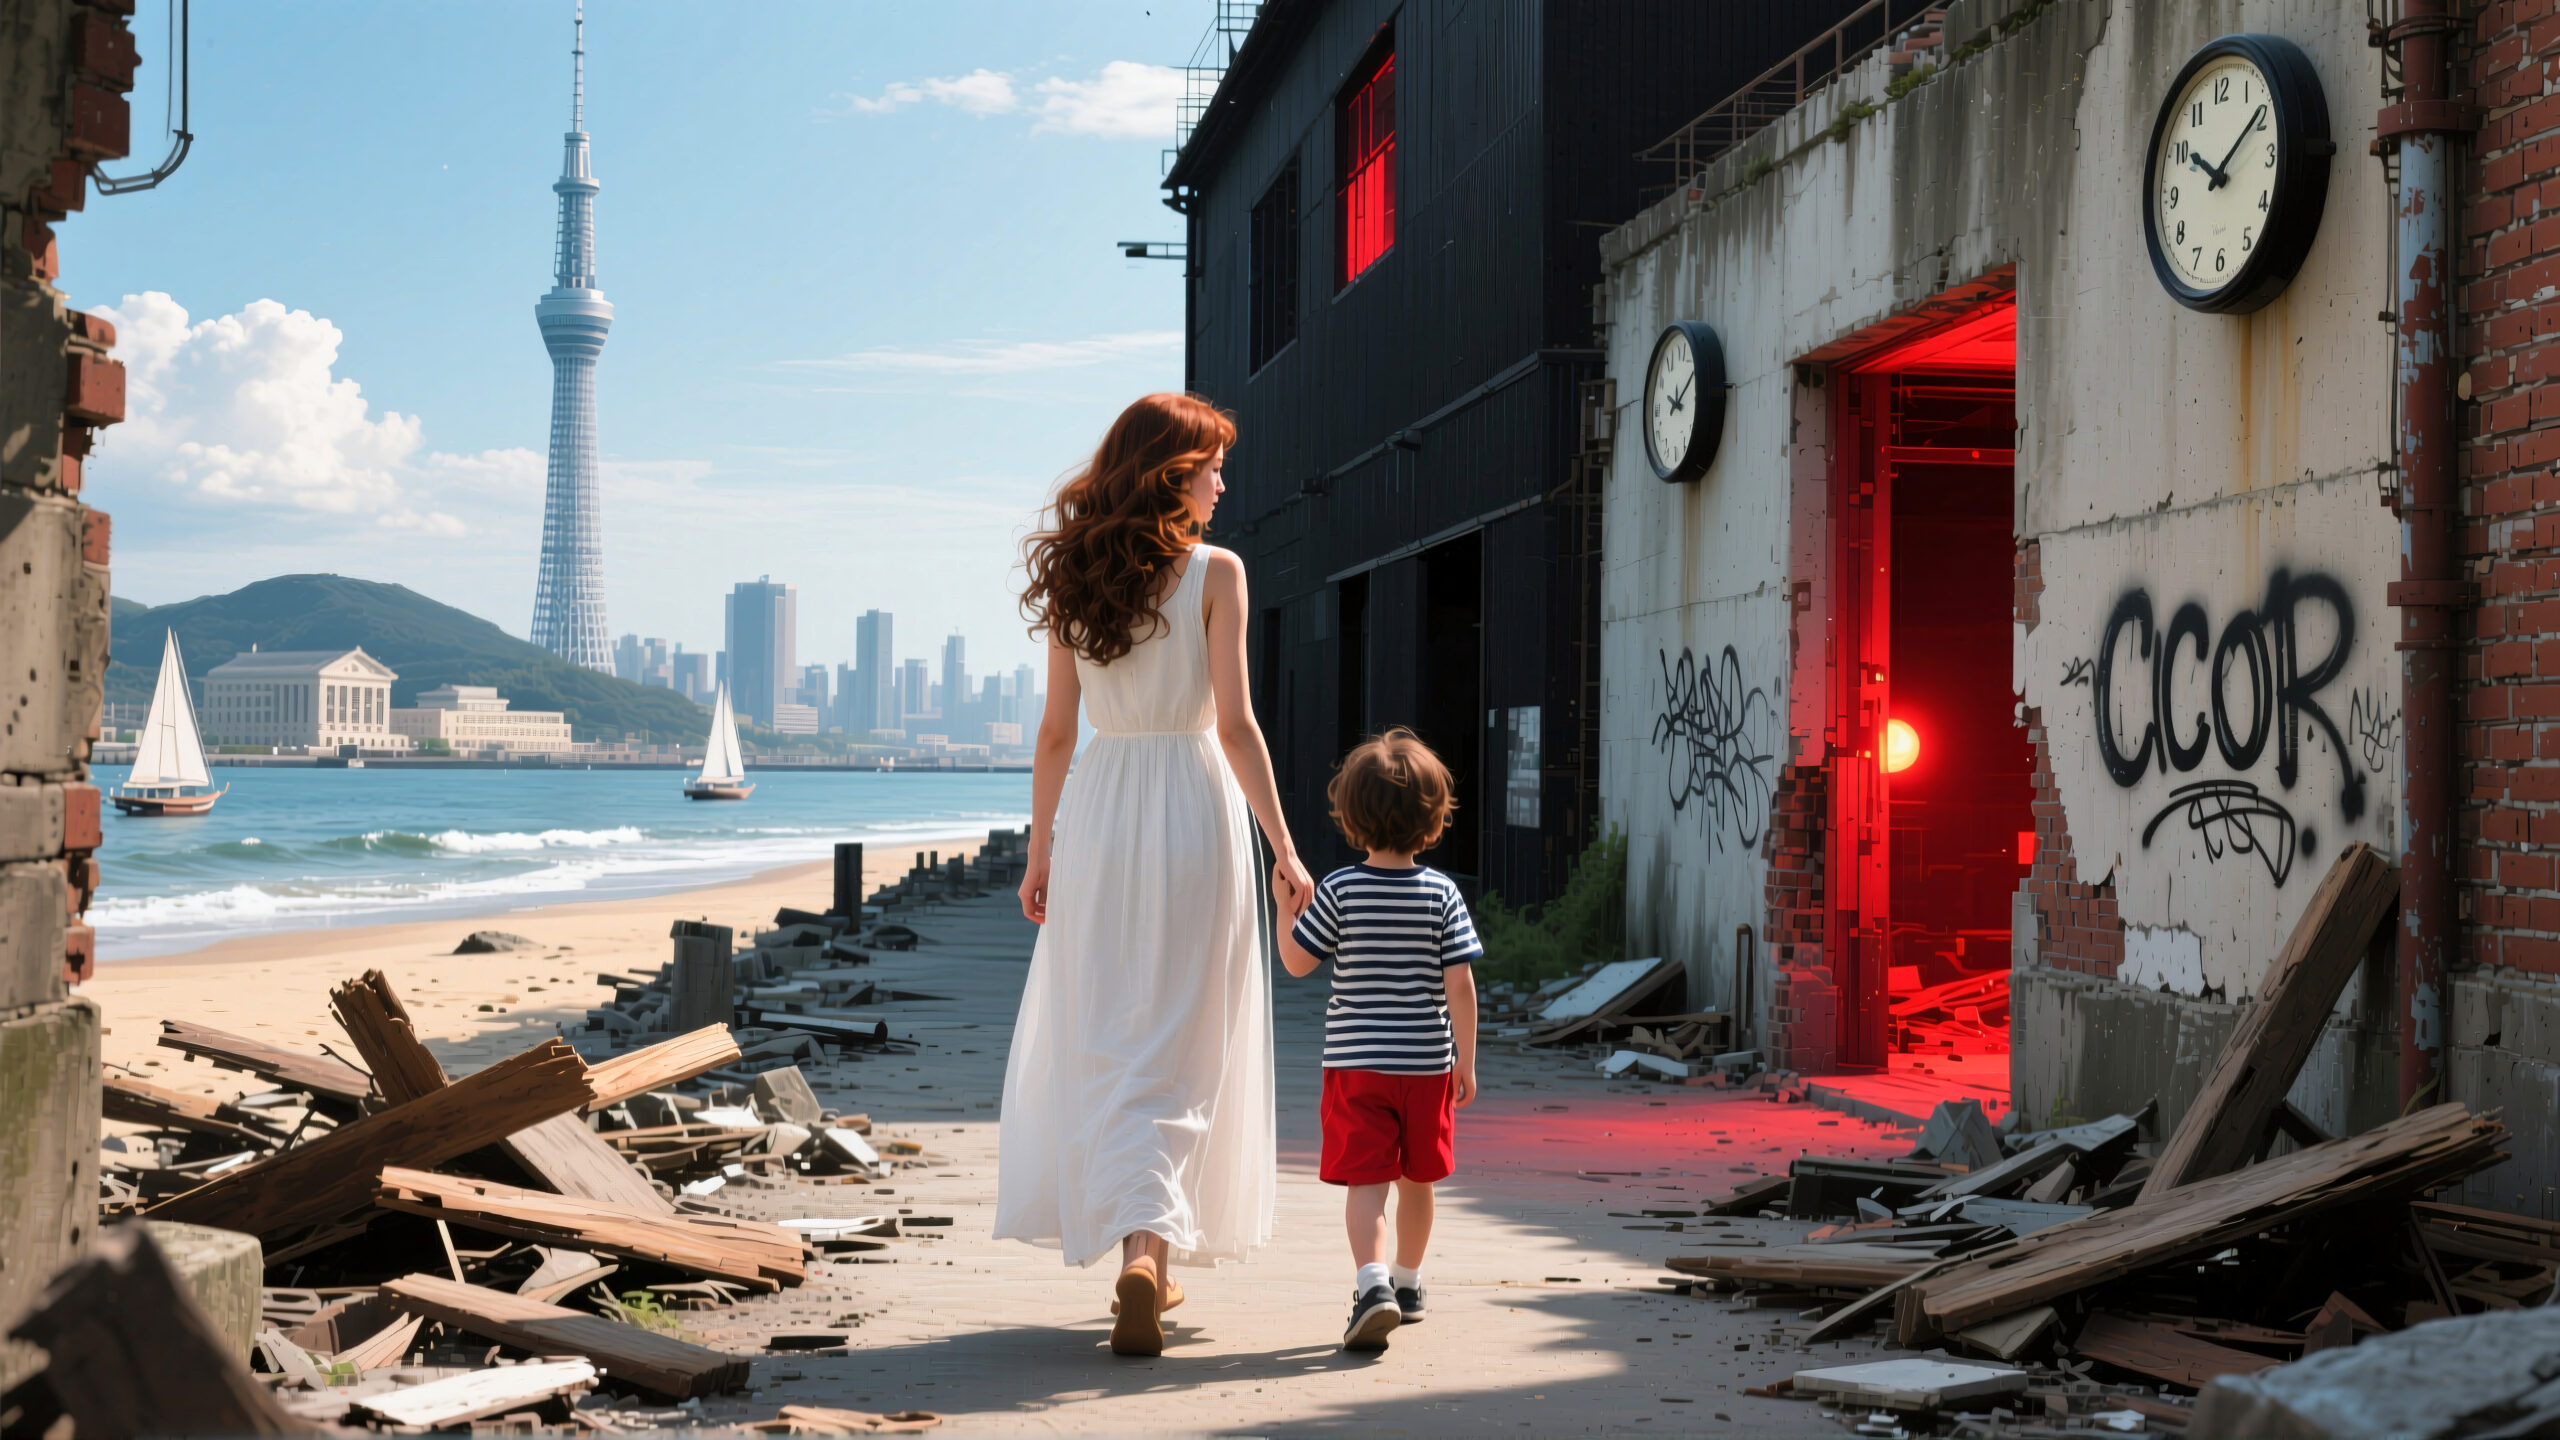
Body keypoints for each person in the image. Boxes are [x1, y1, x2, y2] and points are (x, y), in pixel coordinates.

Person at [995, 392, 1314, 1359]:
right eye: (1213, 465)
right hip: (1192, 807)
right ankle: (1148, 1253)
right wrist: (1285, 846)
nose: (1224, 482)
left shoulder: (1076, 576)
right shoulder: (1217, 573)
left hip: (1100, 810)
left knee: (1115, 1033)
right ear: (1174, 472)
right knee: (1185, 1038)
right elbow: (1237, 726)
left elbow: (1056, 734)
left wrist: (1041, 849)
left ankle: (1148, 1258)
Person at [1277, 728, 1482, 1352]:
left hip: (1357, 1065)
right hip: (1424, 1065)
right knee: (1419, 1181)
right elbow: (1461, 986)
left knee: (1367, 1183)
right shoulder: (1442, 894)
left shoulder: (1339, 890)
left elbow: (1297, 963)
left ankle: (1372, 1285)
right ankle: (1410, 1283)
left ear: (1353, 818)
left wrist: (1284, 907)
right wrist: (1464, 1062)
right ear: (1433, 822)